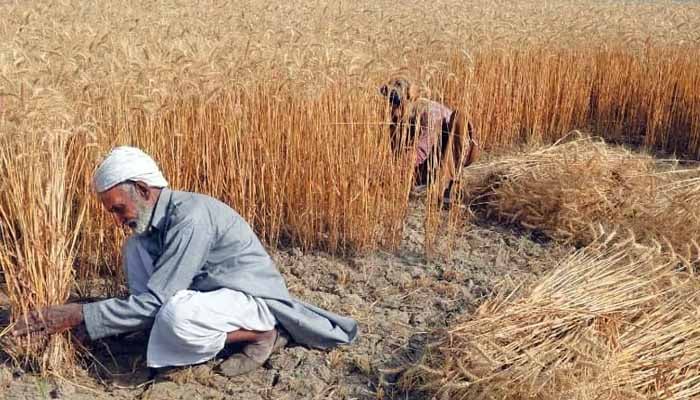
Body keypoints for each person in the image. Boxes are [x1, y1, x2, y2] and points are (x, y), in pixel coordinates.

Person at [11, 146, 358, 376]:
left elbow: (159, 300)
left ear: (144, 190)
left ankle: (260, 333)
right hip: (210, 294)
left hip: (248, 298)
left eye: (119, 208)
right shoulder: (150, 226)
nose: (117, 219)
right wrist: (95, 321)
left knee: (176, 316)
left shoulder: (190, 217)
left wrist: (81, 314)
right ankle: (152, 330)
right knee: (135, 249)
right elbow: (150, 296)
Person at [380, 78, 479, 201]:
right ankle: (422, 178)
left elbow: (420, 150)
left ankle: (448, 185)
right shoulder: (404, 116)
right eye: (390, 102)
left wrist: (392, 174)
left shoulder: (430, 113)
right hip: (433, 156)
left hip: (459, 152)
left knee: (459, 117)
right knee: (395, 125)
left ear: (409, 98)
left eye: (396, 102)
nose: (393, 109)